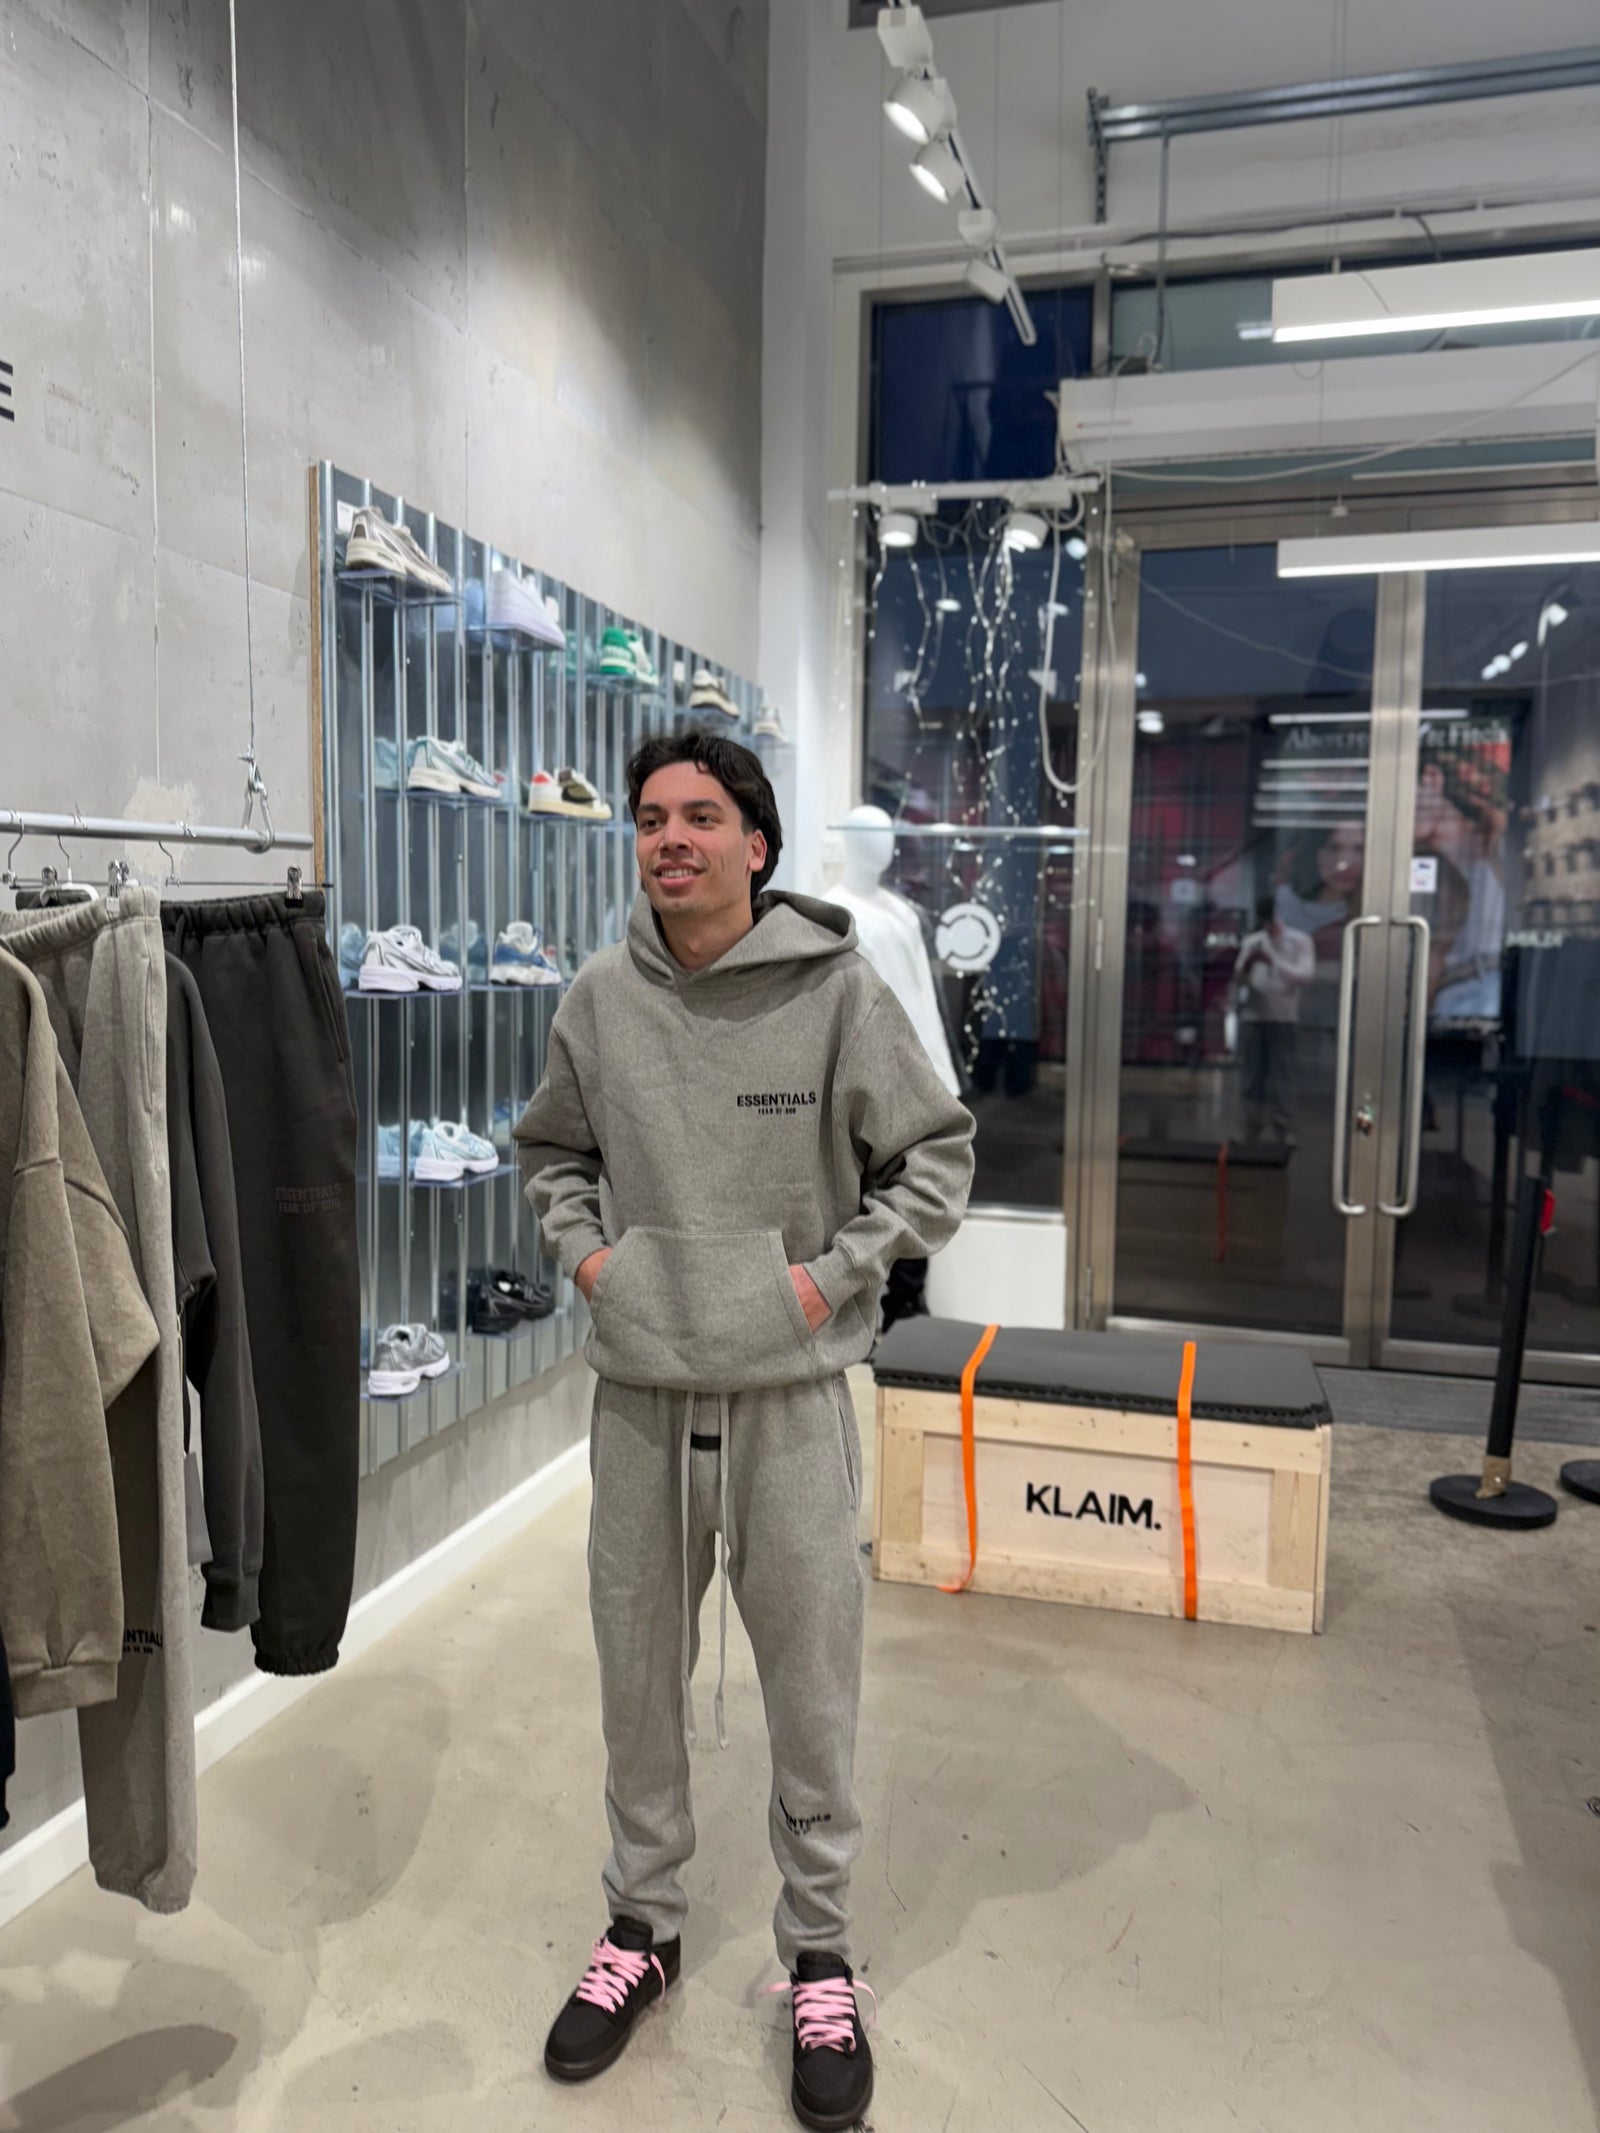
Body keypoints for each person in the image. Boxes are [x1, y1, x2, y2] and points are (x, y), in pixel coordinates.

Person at [514, 730, 975, 2130]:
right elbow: (551, 1152)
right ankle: (641, 1926)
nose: (671, 838)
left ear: (755, 845)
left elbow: (935, 1155)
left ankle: (819, 1954)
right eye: (652, 818)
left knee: (811, 1689)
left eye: (702, 817)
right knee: (636, 1678)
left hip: (789, 1399)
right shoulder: (600, 999)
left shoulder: (836, 990)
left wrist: (827, 1278)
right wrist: (596, 1262)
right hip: (642, 1399)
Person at [1233, 895, 1314, 1143]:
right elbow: (1238, 977)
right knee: (1251, 1076)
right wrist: (1248, 964)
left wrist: (1274, 961)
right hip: (1254, 1016)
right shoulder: (1253, 941)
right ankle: (1250, 1126)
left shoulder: (1299, 941)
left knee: (1283, 1075)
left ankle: (1284, 1127)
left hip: (1284, 1017)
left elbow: (1305, 975)